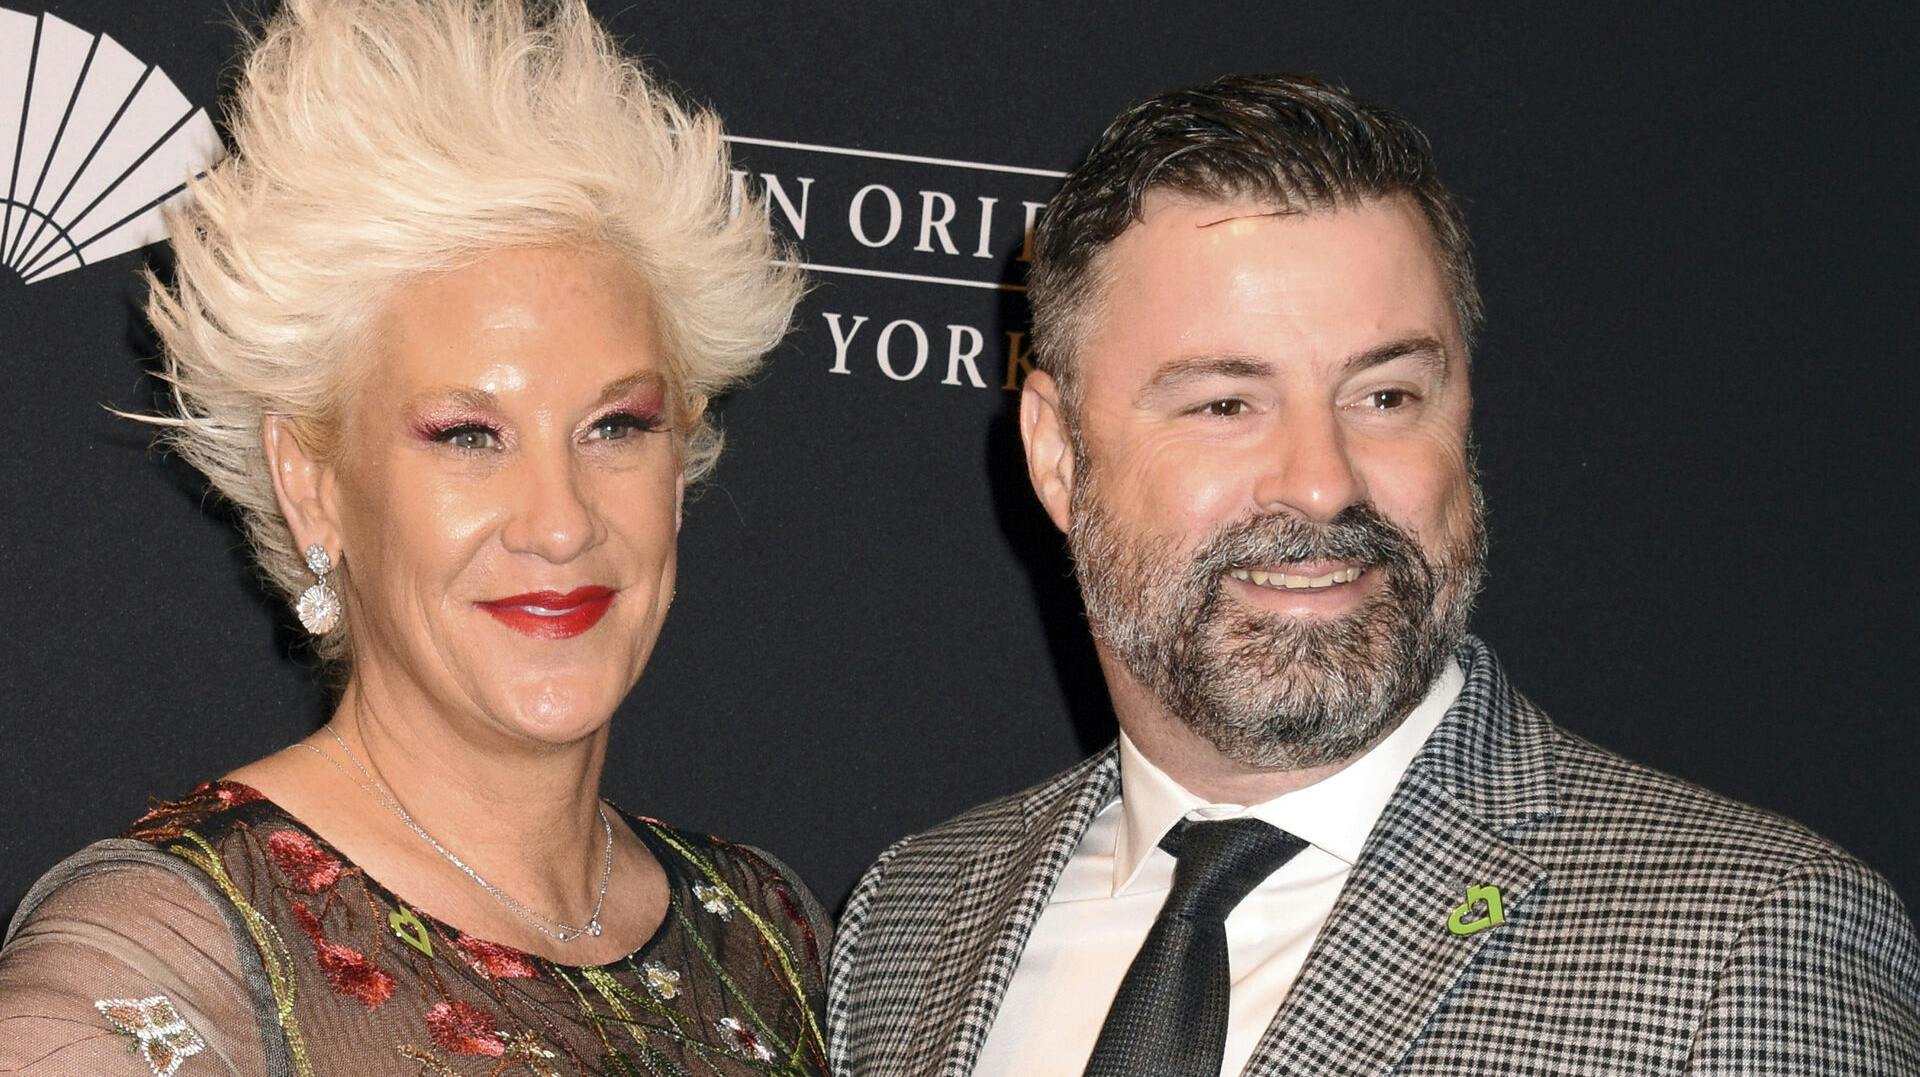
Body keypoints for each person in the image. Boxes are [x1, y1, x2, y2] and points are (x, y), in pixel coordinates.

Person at [826, 74, 1919, 1076]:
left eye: (1386, 397)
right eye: (1224, 404)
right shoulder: (913, 919)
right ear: (1059, 456)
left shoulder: (1742, 940)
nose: (1318, 482)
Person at [0, 2, 828, 1073]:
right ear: (314, 484)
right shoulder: (162, 955)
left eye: (615, 427)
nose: (562, 520)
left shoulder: (768, 934)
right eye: (468, 436)